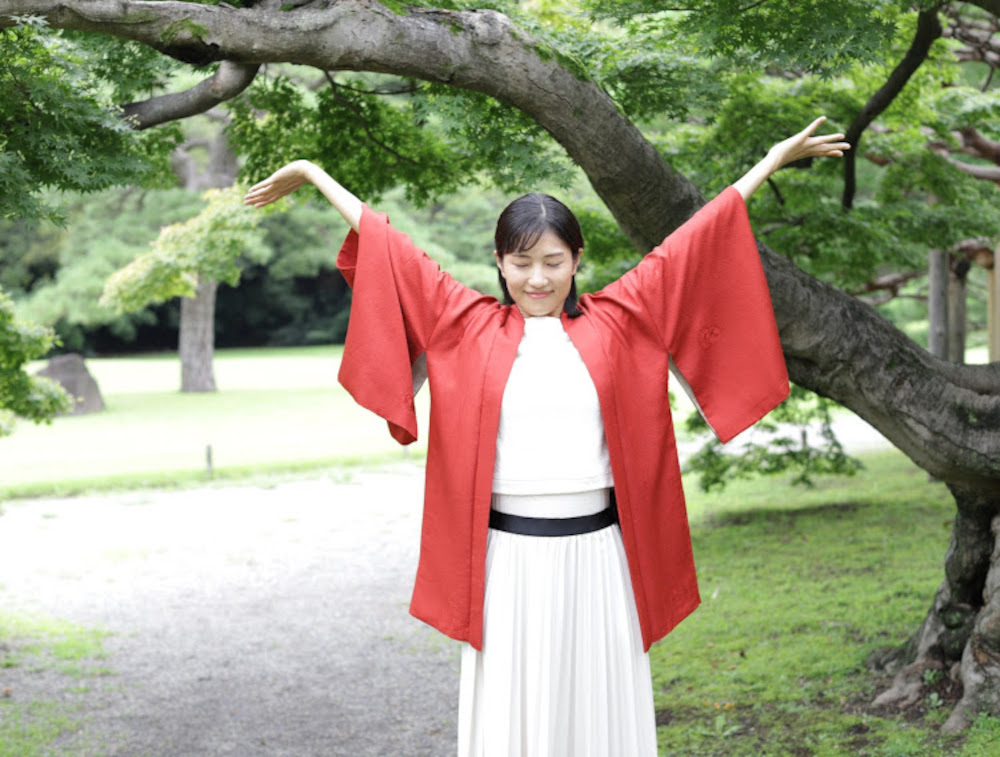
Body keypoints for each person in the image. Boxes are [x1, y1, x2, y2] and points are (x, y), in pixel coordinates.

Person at [244, 117, 849, 757]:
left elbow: (695, 242)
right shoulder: (463, 323)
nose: (538, 279)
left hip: (602, 557)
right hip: (507, 564)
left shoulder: (622, 318)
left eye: (553, 262)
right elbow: (390, 249)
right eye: (522, 263)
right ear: (500, 262)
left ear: (577, 260)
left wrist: (771, 161)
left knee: (599, 714)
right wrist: (314, 174)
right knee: (516, 718)